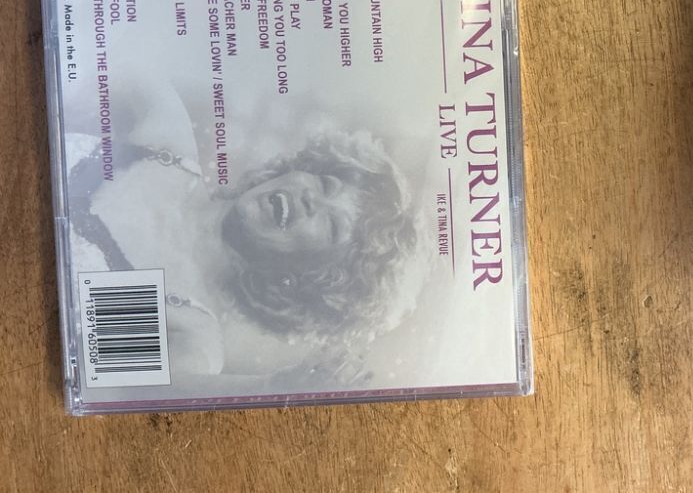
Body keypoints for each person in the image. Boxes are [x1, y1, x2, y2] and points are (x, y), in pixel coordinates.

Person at [68, 105, 425, 392]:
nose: (310, 198)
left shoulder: (195, 334)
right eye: (326, 183)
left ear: (307, 279)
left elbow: (133, 389)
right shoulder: (168, 138)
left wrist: (275, 387)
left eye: (332, 226)